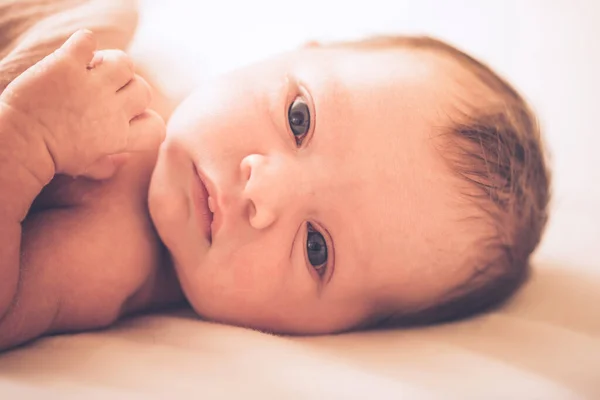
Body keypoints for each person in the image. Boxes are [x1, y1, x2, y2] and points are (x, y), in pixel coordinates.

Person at [0, 1, 550, 351]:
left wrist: (23, 142)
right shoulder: (142, 50)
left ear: (331, 331)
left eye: (316, 248)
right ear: (291, 53)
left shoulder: (106, 255)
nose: (263, 192)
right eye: (299, 118)